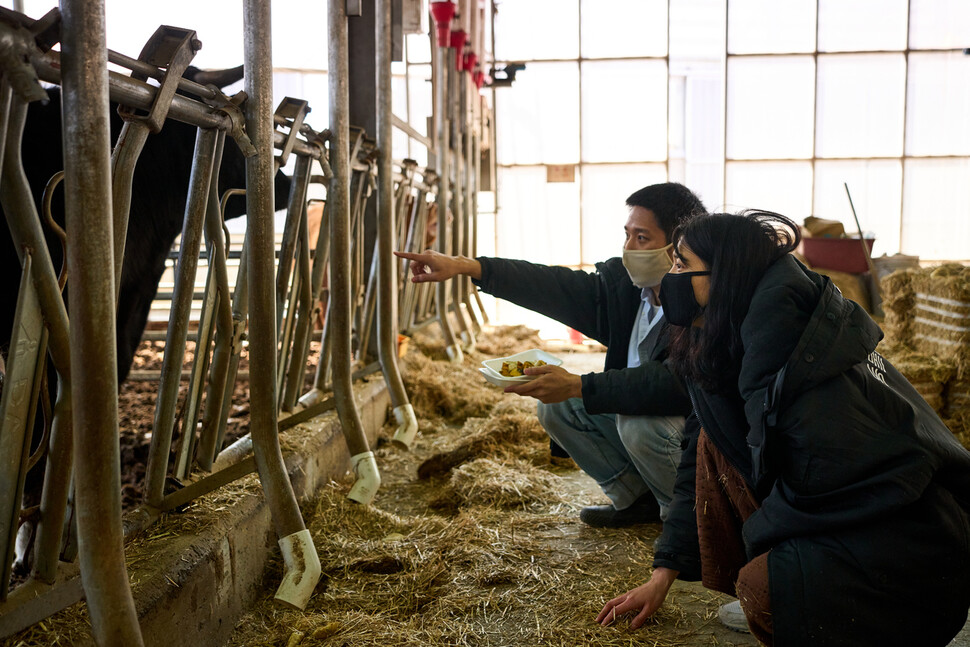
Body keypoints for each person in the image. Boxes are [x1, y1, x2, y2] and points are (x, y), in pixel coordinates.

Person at [597, 211, 970, 646]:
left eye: (681, 263)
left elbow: (833, 489)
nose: (670, 274)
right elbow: (695, 454)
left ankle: (812, 603)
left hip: (914, 564)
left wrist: (767, 559)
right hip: (864, 523)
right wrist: (663, 573)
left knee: (763, 587)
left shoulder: (802, 367)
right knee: (707, 445)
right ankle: (799, 587)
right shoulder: (731, 338)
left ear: (725, 277)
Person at [394, 183, 706, 527]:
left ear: (677, 244)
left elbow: (672, 383)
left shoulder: (702, 304)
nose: (628, 248)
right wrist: (469, 267)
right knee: (558, 404)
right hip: (652, 423)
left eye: (642, 238)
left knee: (638, 425)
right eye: (627, 235)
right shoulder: (629, 293)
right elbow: (553, 286)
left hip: (692, 441)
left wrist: (581, 385)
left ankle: (684, 523)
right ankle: (636, 500)